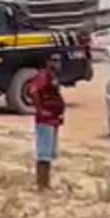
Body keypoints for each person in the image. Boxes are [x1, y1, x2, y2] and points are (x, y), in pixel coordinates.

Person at [28, 53, 65, 192]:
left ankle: (46, 184)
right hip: (45, 119)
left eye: (59, 61)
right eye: (54, 60)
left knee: (49, 153)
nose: (57, 63)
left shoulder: (53, 77)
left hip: (53, 119)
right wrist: (40, 109)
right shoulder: (43, 76)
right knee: (43, 152)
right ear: (48, 62)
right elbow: (33, 91)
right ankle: (41, 184)